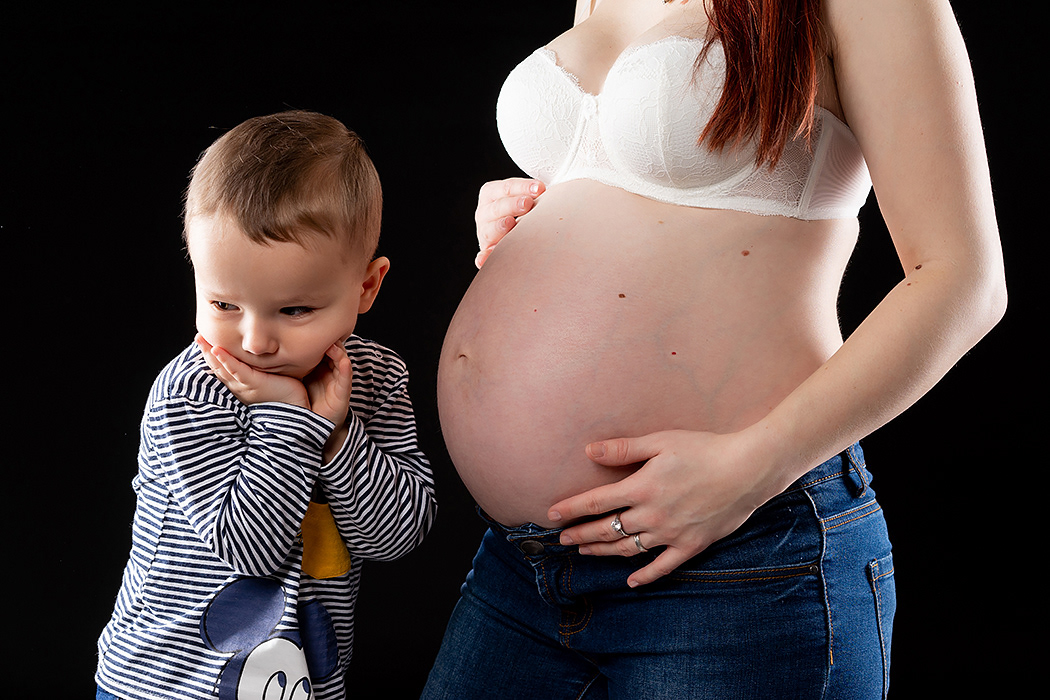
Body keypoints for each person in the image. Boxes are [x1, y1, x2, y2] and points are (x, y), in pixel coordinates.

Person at [426, 0, 1005, 697]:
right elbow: (629, 181)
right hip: (524, 564)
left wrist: (752, 467)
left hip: (741, 558)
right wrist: (538, 211)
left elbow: (963, 280)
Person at [95, 111, 437, 700]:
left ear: (367, 287)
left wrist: (337, 435)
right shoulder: (193, 389)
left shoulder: (376, 379)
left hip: (301, 685)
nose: (254, 341)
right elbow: (249, 548)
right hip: (167, 682)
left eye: (294, 310)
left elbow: (398, 536)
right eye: (224, 304)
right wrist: (292, 419)